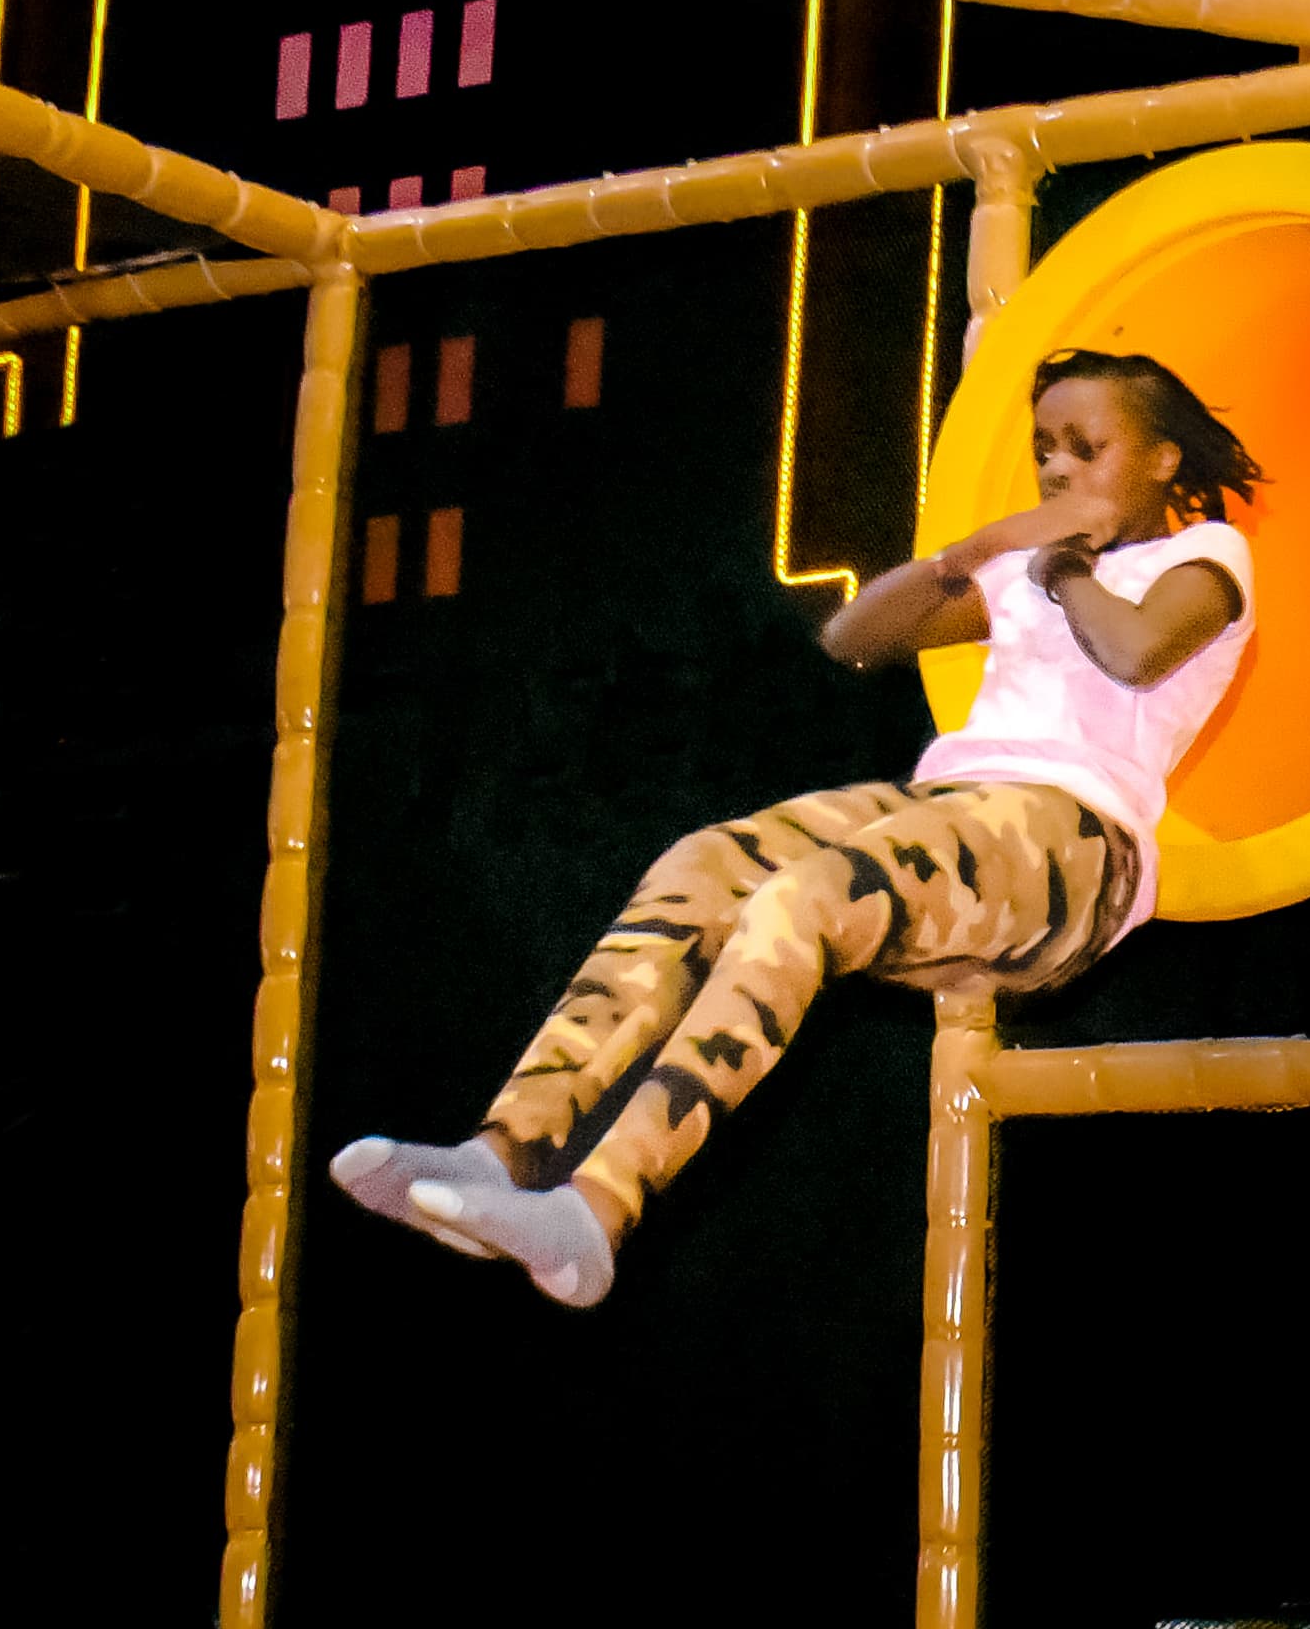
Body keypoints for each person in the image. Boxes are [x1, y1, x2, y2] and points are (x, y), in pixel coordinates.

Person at [327, 349, 1261, 1308]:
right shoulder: (1027, 574)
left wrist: (1062, 565)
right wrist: (976, 552)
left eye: (1087, 449)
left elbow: (1138, 654)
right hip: (956, 805)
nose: (1058, 469)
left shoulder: (1204, 557)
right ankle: (507, 1151)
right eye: (1044, 451)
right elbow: (854, 638)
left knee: (808, 897)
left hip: (1076, 843)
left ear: (1158, 459)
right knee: (707, 863)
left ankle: (596, 1211)